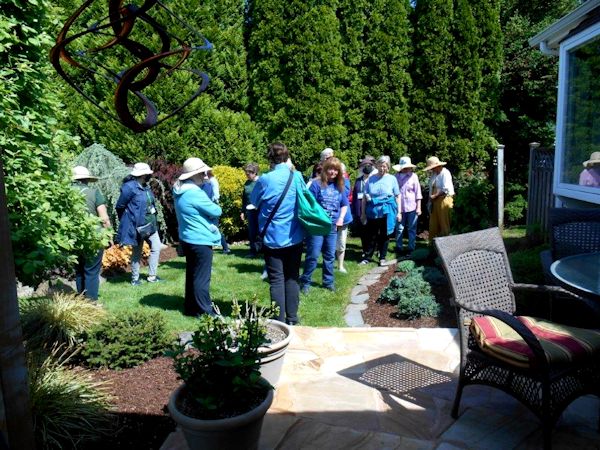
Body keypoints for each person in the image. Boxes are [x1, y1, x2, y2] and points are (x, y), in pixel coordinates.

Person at [251, 142, 305, 325]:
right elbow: (305, 200)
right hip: (295, 236)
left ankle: (279, 322)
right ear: (287, 156)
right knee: (292, 276)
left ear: (270, 158)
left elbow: (254, 201)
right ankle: (293, 319)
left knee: (276, 280)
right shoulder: (297, 176)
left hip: (272, 237)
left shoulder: (265, 179)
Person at [173, 158, 222, 317]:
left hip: (187, 238)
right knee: (202, 278)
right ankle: (206, 311)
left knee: (192, 274)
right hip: (200, 239)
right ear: (193, 175)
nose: (205, 176)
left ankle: (190, 308)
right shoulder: (194, 193)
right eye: (202, 173)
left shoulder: (179, 190)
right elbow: (216, 211)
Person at [300, 157, 349, 293]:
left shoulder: (340, 186)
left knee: (329, 256)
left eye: (336, 170)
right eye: (330, 169)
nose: (333, 172)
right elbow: (309, 204)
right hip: (318, 227)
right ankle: (305, 282)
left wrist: (341, 218)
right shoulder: (317, 184)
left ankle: (328, 282)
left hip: (332, 227)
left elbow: (344, 204)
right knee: (313, 255)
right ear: (325, 169)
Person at [115, 162, 162, 285]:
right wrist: (128, 220)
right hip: (137, 226)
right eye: (148, 174)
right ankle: (135, 279)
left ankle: (152, 276)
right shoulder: (129, 187)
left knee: (156, 247)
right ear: (143, 175)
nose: (150, 176)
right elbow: (120, 206)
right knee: (137, 252)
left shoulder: (146, 186)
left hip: (150, 225)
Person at [71, 166, 112, 300]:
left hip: (74, 237)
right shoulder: (94, 193)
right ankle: (91, 302)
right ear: (87, 179)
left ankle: (81, 300)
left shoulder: (66, 194)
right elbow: (104, 218)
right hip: (94, 236)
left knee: (79, 270)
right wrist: (109, 236)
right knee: (91, 272)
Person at [360, 155, 401, 266]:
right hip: (372, 211)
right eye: (380, 166)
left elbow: (397, 196)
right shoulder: (371, 179)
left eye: (385, 166)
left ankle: (382, 257)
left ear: (388, 167)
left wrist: (399, 212)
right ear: (377, 165)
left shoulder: (392, 179)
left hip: (387, 211)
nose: (382, 168)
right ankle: (367, 257)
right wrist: (363, 213)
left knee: (384, 235)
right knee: (371, 235)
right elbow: (364, 197)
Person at [393, 156, 422, 255]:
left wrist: (419, 207)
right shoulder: (395, 177)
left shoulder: (414, 176)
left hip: (412, 207)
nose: (406, 169)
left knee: (411, 229)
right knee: (399, 229)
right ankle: (399, 248)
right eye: (404, 167)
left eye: (407, 167)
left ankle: (411, 248)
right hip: (399, 208)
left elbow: (418, 192)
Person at [424, 156, 454, 241]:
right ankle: (433, 244)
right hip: (435, 202)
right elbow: (431, 189)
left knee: (444, 224)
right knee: (433, 224)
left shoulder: (445, 173)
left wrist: (435, 195)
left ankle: (446, 244)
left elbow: (445, 189)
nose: (431, 169)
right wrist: (430, 201)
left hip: (444, 200)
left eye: (432, 168)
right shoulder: (434, 174)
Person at [352, 156, 376, 260]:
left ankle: (372, 250)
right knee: (363, 232)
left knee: (372, 232)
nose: (366, 167)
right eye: (364, 165)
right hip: (359, 209)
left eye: (369, 165)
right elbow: (354, 195)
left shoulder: (374, 180)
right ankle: (365, 249)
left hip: (371, 209)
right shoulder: (358, 180)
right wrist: (354, 210)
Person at [207, 170, 231, 254]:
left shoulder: (212, 181)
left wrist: (210, 203)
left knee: (215, 227)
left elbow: (216, 196)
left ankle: (225, 248)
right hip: (211, 206)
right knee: (212, 227)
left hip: (212, 206)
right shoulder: (209, 181)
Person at [241, 163, 260, 257]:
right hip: (250, 210)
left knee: (261, 230)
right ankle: (253, 251)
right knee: (252, 231)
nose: (247, 175)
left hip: (260, 209)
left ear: (255, 173)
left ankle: (263, 249)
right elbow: (244, 198)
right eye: (246, 174)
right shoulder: (247, 183)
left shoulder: (260, 182)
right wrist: (242, 211)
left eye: (249, 174)